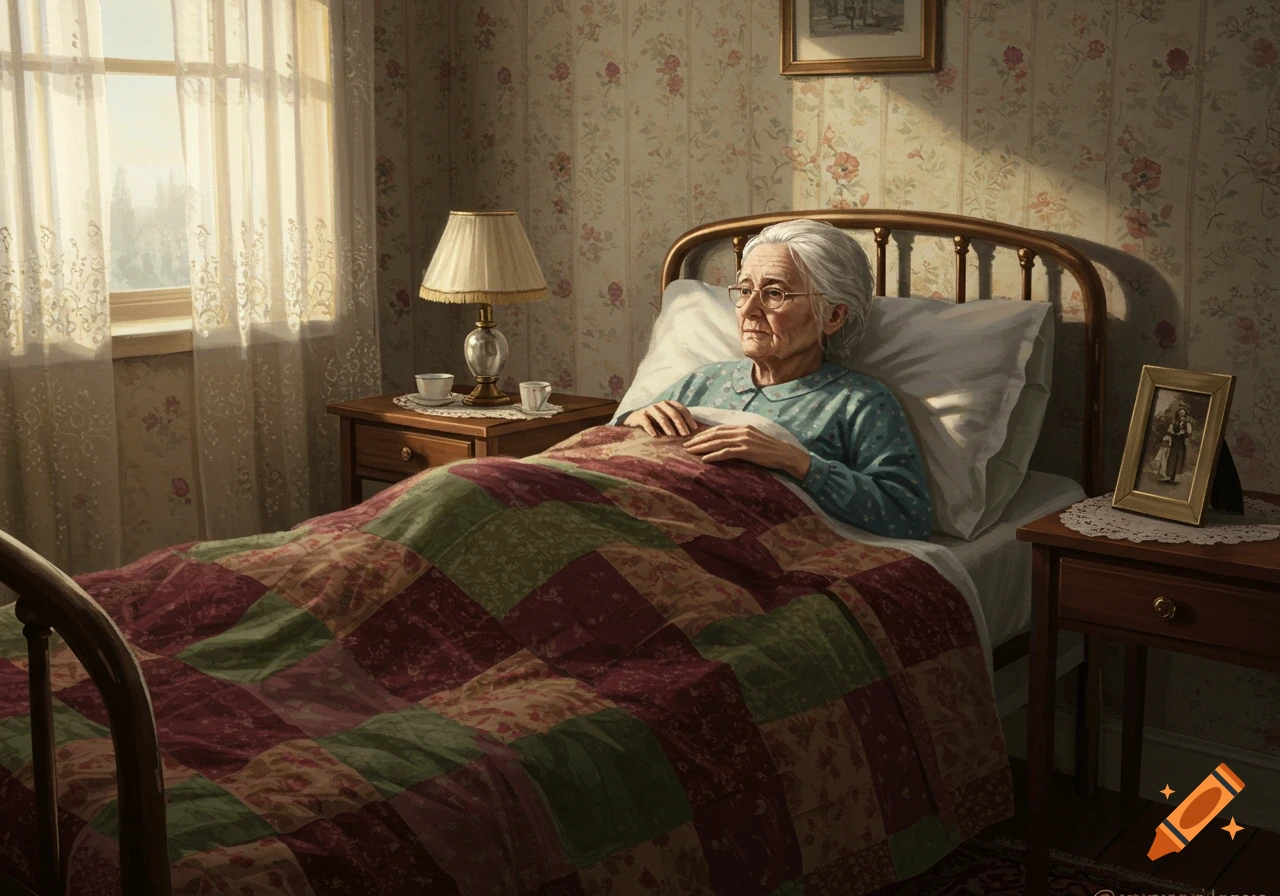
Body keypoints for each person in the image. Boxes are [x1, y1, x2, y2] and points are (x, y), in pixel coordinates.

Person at [619, 219, 932, 540]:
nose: (748, 309)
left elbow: (907, 516)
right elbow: (611, 454)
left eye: (774, 293)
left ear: (833, 316)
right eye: (744, 290)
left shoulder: (859, 401)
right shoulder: (703, 380)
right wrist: (633, 421)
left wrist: (796, 461)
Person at [1163, 407, 1193, 483]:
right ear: (1178, 414)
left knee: (1179, 457)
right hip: (1174, 440)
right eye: (1180, 413)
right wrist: (1174, 433)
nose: (1181, 415)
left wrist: (1184, 433)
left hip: (1182, 442)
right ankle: (1171, 476)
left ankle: (1175, 476)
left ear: (1185, 414)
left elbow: (1189, 432)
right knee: (1172, 457)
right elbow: (1169, 430)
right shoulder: (1174, 422)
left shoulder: (1187, 423)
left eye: (1183, 413)